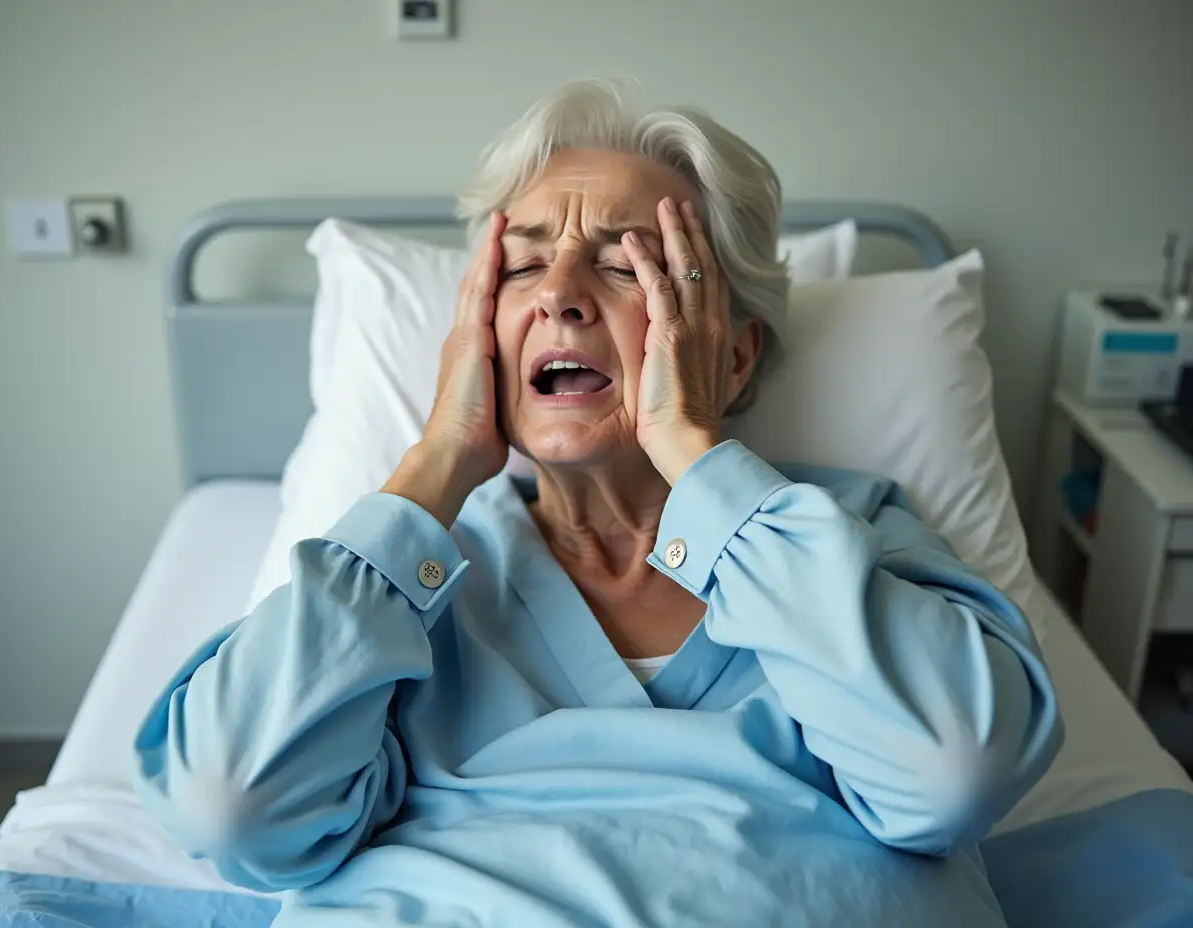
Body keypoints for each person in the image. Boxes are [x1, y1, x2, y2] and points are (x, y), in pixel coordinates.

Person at [132, 79, 1062, 927]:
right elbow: (232, 809)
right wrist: (437, 462)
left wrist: (698, 455)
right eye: (524, 270)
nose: (562, 298)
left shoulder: (850, 541)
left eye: (627, 267)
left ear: (732, 354)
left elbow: (952, 774)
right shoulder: (406, 582)